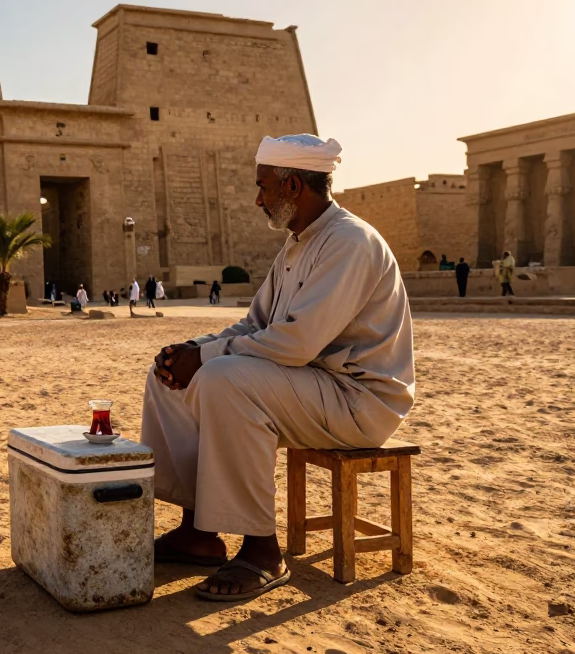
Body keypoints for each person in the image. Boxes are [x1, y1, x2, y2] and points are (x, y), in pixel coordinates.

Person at [143, 133, 414, 602]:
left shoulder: (349, 241)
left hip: (358, 400)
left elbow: (297, 341)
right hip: (307, 385)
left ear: (292, 185)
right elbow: (254, 325)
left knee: (225, 380)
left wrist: (206, 358)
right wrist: (190, 348)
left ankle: (262, 551)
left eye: (263, 187)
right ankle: (198, 531)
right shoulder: (296, 245)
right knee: (167, 377)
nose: (258, 199)